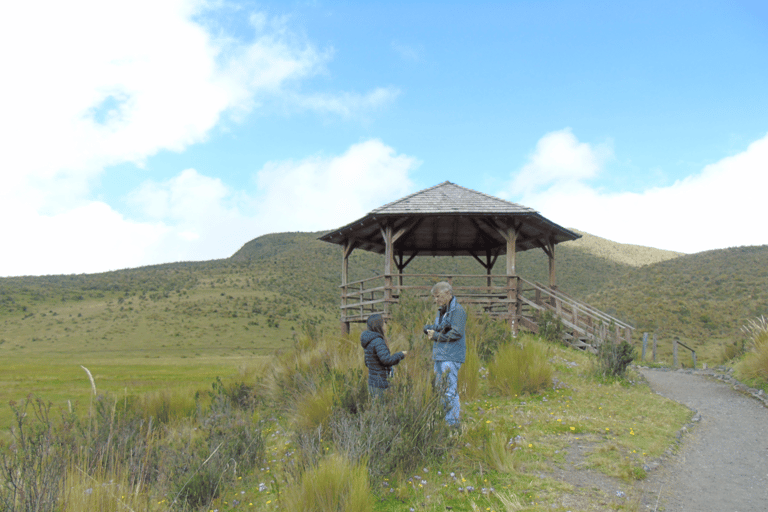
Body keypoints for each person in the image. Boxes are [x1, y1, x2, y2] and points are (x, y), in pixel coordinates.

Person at [423, 281, 466, 426]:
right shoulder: (442, 311)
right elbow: (443, 327)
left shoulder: (458, 311)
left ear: (448, 293)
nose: (436, 300)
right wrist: (430, 328)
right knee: (441, 390)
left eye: (438, 296)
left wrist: (436, 336)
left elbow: (456, 333)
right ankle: (446, 420)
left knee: (449, 390)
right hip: (440, 356)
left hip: (451, 356)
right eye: (435, 297)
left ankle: (452, 423)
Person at [360, 314, 407, 398]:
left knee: (376, 409)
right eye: (384, 323)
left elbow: (367, 362)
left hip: (372, 383)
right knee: (382, 408)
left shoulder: (369, 340)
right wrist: (401, 354)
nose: (385, 324)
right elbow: (386, 360)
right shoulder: (378, 341)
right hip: (380, 384)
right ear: (379, 325)